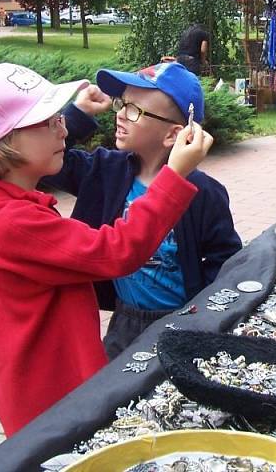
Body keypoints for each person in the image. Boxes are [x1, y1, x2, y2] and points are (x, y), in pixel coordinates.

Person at [0, 62, 212, 435]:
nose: (63, 126)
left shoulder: (16, 210)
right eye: (49, 120)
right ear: (6, 143)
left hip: (60, 393)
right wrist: (173, 179)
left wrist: (75, 115)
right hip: (50, 406)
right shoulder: (16, 225)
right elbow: (118, 251)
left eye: (60, 117)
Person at [43, 61, 242, 359]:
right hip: (125, 320)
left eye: (135, 110)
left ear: (172, 135)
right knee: (112, 394)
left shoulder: (203, 193)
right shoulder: (103, 171)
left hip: (181, 321)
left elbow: (224, 262)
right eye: (122, 103)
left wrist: (207, 321)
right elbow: (50, 165)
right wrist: (79, 115)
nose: (121, 114)